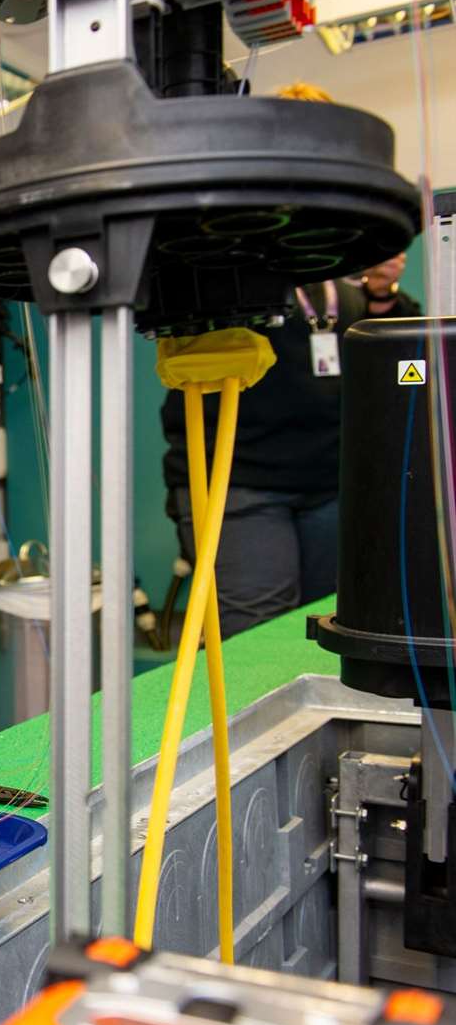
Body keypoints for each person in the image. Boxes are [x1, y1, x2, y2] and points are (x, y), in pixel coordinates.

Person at [158, 81, 417, 637]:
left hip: (329, 482)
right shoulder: (230, 241)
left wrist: (378, 293)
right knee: (256, 635)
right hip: (242, 483)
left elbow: (393, 361)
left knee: (329, 623)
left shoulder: (342, 269)